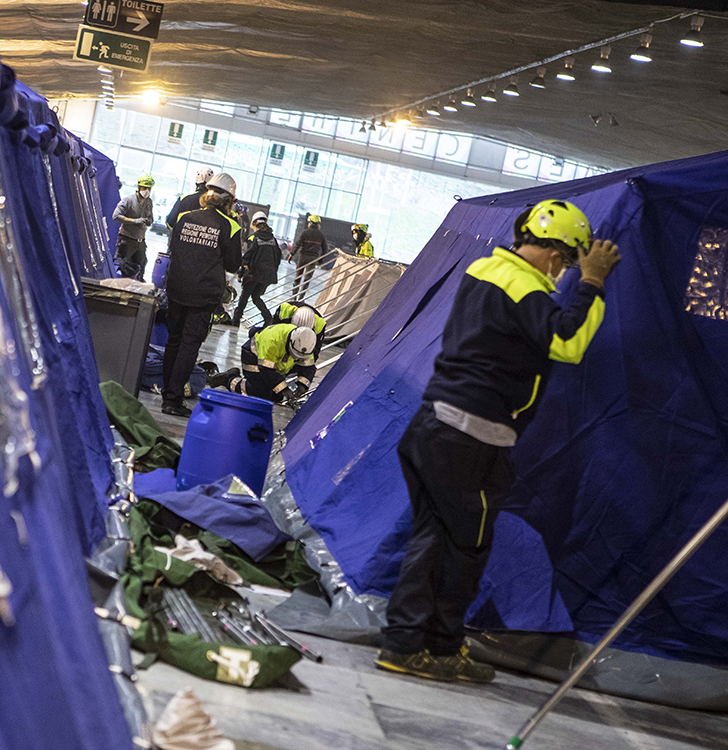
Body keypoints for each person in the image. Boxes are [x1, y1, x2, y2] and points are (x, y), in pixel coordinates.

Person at [374, 200, 622, 684]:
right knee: (462, 550)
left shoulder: (487, 269)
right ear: (556, 254)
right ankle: (426, 648)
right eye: (568, 262)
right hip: (470, 438)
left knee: (434, 541)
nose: (564, 273)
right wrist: (592, 282)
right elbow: (567, 342)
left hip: (435, 426)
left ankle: (417, 646)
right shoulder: (525, 285)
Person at [161, 173, 242, 417]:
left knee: (173, 341)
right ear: (229, 200)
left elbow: (174, 247)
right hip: (203, 294)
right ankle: (173, 400)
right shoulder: (231, 227)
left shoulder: (185, 217)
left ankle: (167, 392)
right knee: (189, 344)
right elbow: (232, 265)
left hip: (176, 288)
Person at [208, 323, 317, 402]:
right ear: (290, 342)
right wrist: (284, 388)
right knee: (260, 393)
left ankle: (233, 376)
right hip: (253, 356)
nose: (296, 357)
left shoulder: (306, 343)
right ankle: (229, 379)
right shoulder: (273, 340)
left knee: (275, 396)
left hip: (274, 364)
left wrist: (302, 385)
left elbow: (308, 366)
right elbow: (267, 370)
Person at [232, 212, 281, 327]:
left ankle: (236, 320)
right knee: (256, 296)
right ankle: (268, 318)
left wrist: (241, 273)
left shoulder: (253, 238)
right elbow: (277, 258)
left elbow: (247, 257)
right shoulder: (273, 239)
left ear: (254, 224)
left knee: (244, 297)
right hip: (268, 275)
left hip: (254, 273)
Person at [112, 174, 155, 280]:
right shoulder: (128, 200)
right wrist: (134, 221)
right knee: (125, 268)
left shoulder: (149, 202)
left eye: (149, 188)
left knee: (141, 267)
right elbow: (116, 216)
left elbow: (150, 217)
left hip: (140, 242)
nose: (147, 191)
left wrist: (149, 221)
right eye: (144, 188)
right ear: (139, 187)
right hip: (127, 240)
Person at [291, 214, 328, 301]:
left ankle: (293, 297)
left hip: (302, 257)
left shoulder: (305, 232)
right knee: (307, 280)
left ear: (310, 223)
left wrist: (292, 254)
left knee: (298, 277)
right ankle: (301, 298)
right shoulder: (321, 235)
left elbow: (297, 244)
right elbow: (325, 248)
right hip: (313, 258)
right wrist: (321, 259)